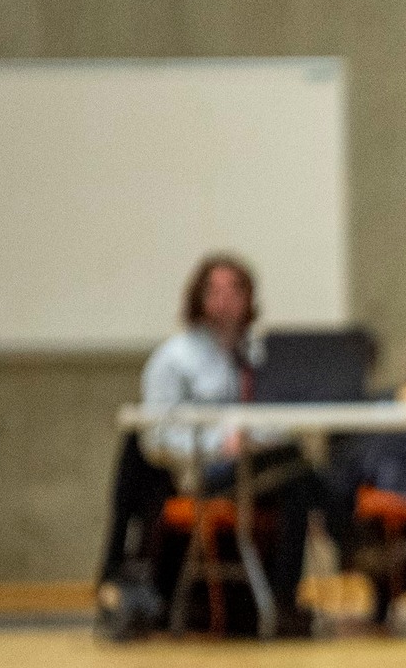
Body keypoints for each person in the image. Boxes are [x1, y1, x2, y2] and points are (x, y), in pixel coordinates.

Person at [140, 254, 353, 636]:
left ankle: (286, 599)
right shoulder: (173, 359)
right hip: (207, 473)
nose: (224, 299)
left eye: (234, 289)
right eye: (214, 289)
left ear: (249, 298)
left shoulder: (258, 355)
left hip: (261, 468)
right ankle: (348, 537)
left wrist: (263, 434)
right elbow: (155, 438)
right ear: (197, 297)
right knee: (304, 476)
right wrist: (218, 441)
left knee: (299, 480)